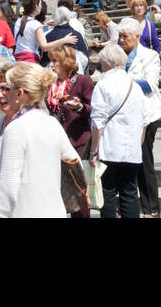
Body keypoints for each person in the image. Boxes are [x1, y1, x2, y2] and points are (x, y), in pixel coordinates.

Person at [0, 63, 80, 218]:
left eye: (7, 88)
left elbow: (7, 192)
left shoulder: (16, 129)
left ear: (19, 93)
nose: (2, 94)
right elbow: (76, 165)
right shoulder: (52, 123)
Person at [117, 17, 161, 217]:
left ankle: (151, 208)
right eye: (119, 36)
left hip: (146, 115)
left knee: (144, 162)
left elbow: (150, 85)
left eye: (125, 37)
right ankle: (126, 206)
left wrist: (122, 82)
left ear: (137, 36)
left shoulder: (150, 56)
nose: (121, 40)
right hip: (122, 117)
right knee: (122, 162)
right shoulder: (116, 55)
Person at [89, 43, 145, 218]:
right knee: (129, 193)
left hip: (109, 149)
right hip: (131, 150)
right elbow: (144, 121)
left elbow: (98, 122)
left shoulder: (103, 85)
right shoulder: (135, 86)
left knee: (108, 193)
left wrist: (93, 151)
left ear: (106, 63)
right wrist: (137, 144)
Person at [46, 46, 93, 217]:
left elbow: (94, 111)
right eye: (50, 61)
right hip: (53, 143)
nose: (51, 65)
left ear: (66, 62)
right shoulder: (49, 84)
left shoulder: (83, 81)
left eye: (55, 61)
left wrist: (80, 107)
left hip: (76, 142)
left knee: (78, 192)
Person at [13, 0, 79, 65]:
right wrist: (64, 40)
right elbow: (44, 47)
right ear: (36, 6)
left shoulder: (18, 21)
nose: (41, 6)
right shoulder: (35, 24)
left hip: (17, 59)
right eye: (40, 4)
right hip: (30, 60)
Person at [45, 6, 91, 73]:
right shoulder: (76, 35)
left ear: (54, 20)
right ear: (68, 18)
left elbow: (45, 61)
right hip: (75, 73)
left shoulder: (49, 36)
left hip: (54, 75)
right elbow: (84, 59)